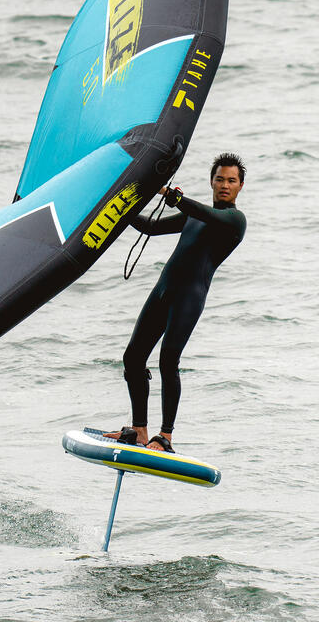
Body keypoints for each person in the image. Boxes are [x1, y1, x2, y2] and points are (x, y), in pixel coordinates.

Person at [108, 153, 247, 452]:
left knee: (167, 361)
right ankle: (140, 431)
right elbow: (150, 227)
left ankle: (166, 436)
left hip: (189, 297)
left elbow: (210, 215)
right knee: (133, 358)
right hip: (163, 290)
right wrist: (118, 203)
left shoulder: (234, 220)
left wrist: (173, 196)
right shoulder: (193, 215)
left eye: (231, 181)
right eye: (220, 179)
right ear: (211, 181)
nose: (224, 185)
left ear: (240, 186)